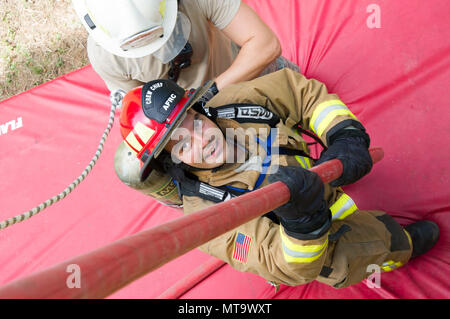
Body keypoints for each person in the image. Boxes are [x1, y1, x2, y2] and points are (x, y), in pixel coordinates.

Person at [117, 68, 440, 288]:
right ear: (168, 161)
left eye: (196, 124)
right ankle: (399, 251)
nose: (203, 141)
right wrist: (303, 221)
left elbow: (301, 93)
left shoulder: (236, 105)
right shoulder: (206, 216)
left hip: (325, 173)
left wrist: (345, 135)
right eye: (182, 144)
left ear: (199, 109)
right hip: (318, 238)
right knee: (371, 245)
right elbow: (282, 263)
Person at [72, 0, 294, 97]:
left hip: (250, 76)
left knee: (300, 95)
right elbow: (141, 113)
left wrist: (210, 92)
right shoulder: (104, 54)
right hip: (197, 123)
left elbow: (266, 45)